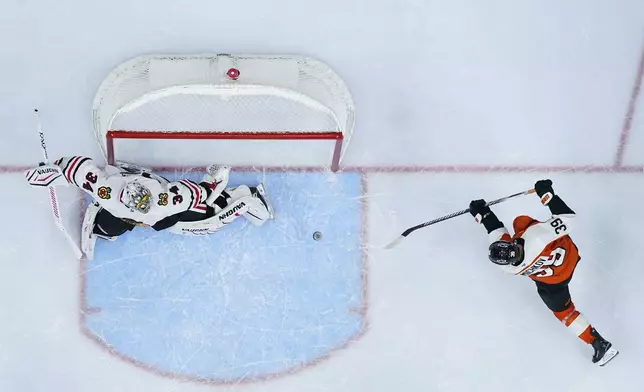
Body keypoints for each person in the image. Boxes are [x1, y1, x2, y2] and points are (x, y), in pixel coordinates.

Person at [468, 179, 618, 366]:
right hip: (569, 256)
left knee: (563, 312)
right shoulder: (536, 236)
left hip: (554, 281)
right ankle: (599, 344)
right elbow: (568, 218)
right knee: (521, 222)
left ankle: (598, 342)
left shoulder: (508, 267)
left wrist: (484, 215)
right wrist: (547, 195)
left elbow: (497, 233)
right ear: (513, 244)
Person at [26, 156, 274, 258]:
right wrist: (54, 169)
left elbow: (79, 171)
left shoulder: (115, 194)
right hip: (164, 215)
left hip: (168, 216)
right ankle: (245, 201)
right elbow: (78, 170)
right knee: (209, 221)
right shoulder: (158, 200)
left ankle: (245, 200)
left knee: (208, 220)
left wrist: (57, 170)